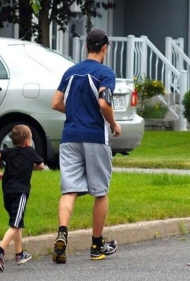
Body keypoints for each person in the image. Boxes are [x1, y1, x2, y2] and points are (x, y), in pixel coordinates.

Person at [51, 29, 122, 264]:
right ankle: (96, 245)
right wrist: (113, 124)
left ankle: (62, 234)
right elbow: (104, 102)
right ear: (104, 48)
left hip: (70, 137)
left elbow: (56, 103)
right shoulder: (105, 73)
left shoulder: (70, 72)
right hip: (94, 137)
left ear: (86, 47)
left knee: (69, 190)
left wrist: (75, 111)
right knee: (100, 192)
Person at [0, 124, 45, 272]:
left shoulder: (9, 151)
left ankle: (19, 254)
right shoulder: (30, 152)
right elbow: (41, 166)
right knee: (15, 224)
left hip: (7, 191)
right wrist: (29, 165)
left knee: (18, 221)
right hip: (21, 192)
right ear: (28, 141)